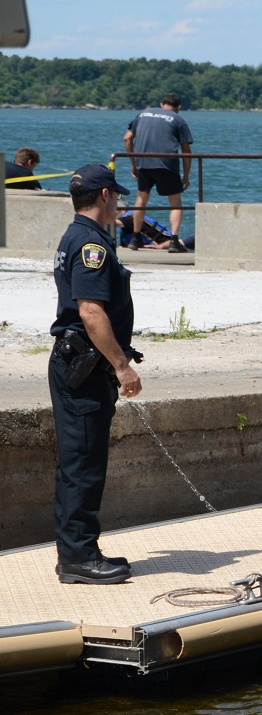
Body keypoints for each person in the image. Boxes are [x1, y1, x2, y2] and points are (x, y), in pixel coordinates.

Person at [49, 164, 145, 585]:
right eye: (117, 195)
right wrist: (122, 367)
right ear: (105, 196)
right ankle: (78, 558)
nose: (121, 202)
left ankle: (78, 551)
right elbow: (90, 310)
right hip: (83, 366)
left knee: (79, 459)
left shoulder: (76, 235)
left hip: (79, 362)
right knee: (83, 462)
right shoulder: (91, 245)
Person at [123, 92, 193, 238]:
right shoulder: (178, 120)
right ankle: (174, 240)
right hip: (166, 163)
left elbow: (127, 138)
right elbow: (186, 150)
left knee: (141, 198)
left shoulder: (142, 114)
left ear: (162, 104)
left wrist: (134, 164)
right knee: (175, 202)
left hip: (143, 162)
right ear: (179, 106)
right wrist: (186, 176)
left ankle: (135, 238)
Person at [117, 209, 192, 252]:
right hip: (171, 243)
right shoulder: (126, 225)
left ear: (122, 210)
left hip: (167, 244)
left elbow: (113, 222)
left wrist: (105, 212)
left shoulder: (129, 218)